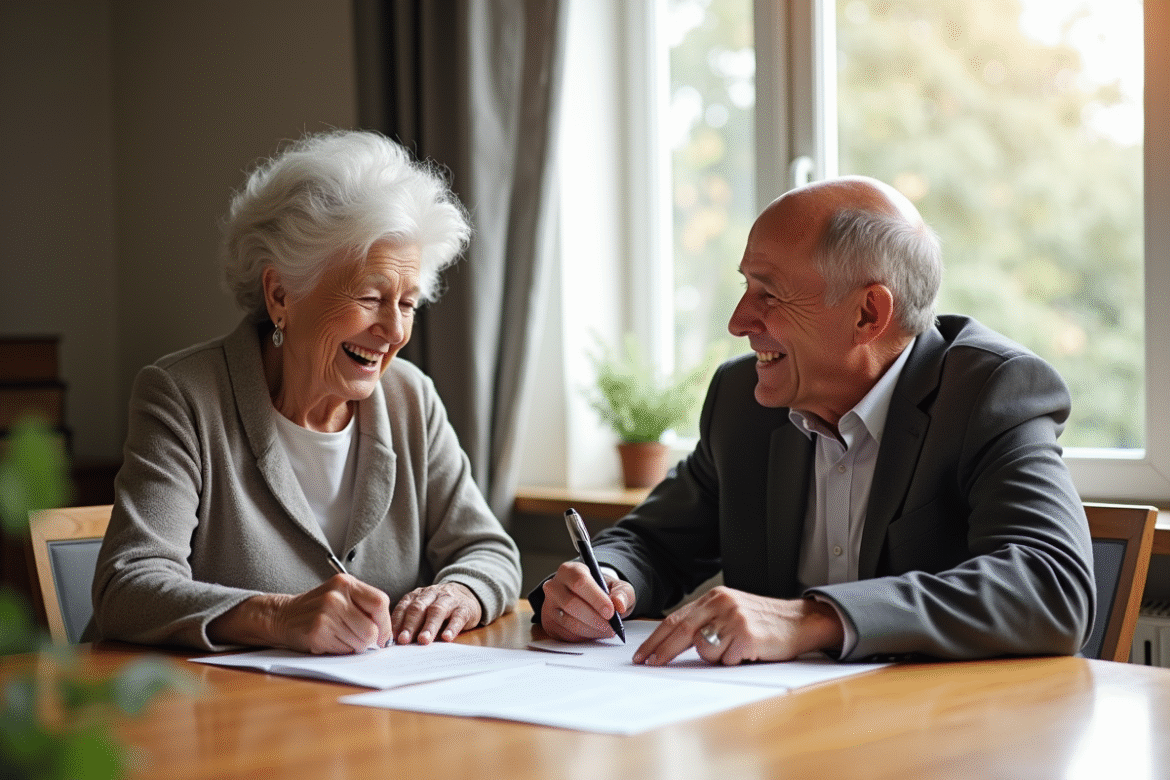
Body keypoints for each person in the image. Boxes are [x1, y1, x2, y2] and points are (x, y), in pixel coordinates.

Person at [532, 175, 1095, 664]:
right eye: (744, 286)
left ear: (868, 313)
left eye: (769, 294)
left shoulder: (989, 392)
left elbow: (1052, 586)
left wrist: (810, 620)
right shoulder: (741, 399)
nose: (737, 321)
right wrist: (605, 580)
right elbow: (654, 543)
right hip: (780, 733)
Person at [89, 130, 522, 653]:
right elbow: (127, 586)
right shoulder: (183, 398)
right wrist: (275, 616)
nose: (394, 331)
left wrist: (461, 592)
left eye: (407, 304)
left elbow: (488, 550)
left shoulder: (411, 399)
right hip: (223, 721)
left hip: (376, 719)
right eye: (370, 296)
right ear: (280, 295)